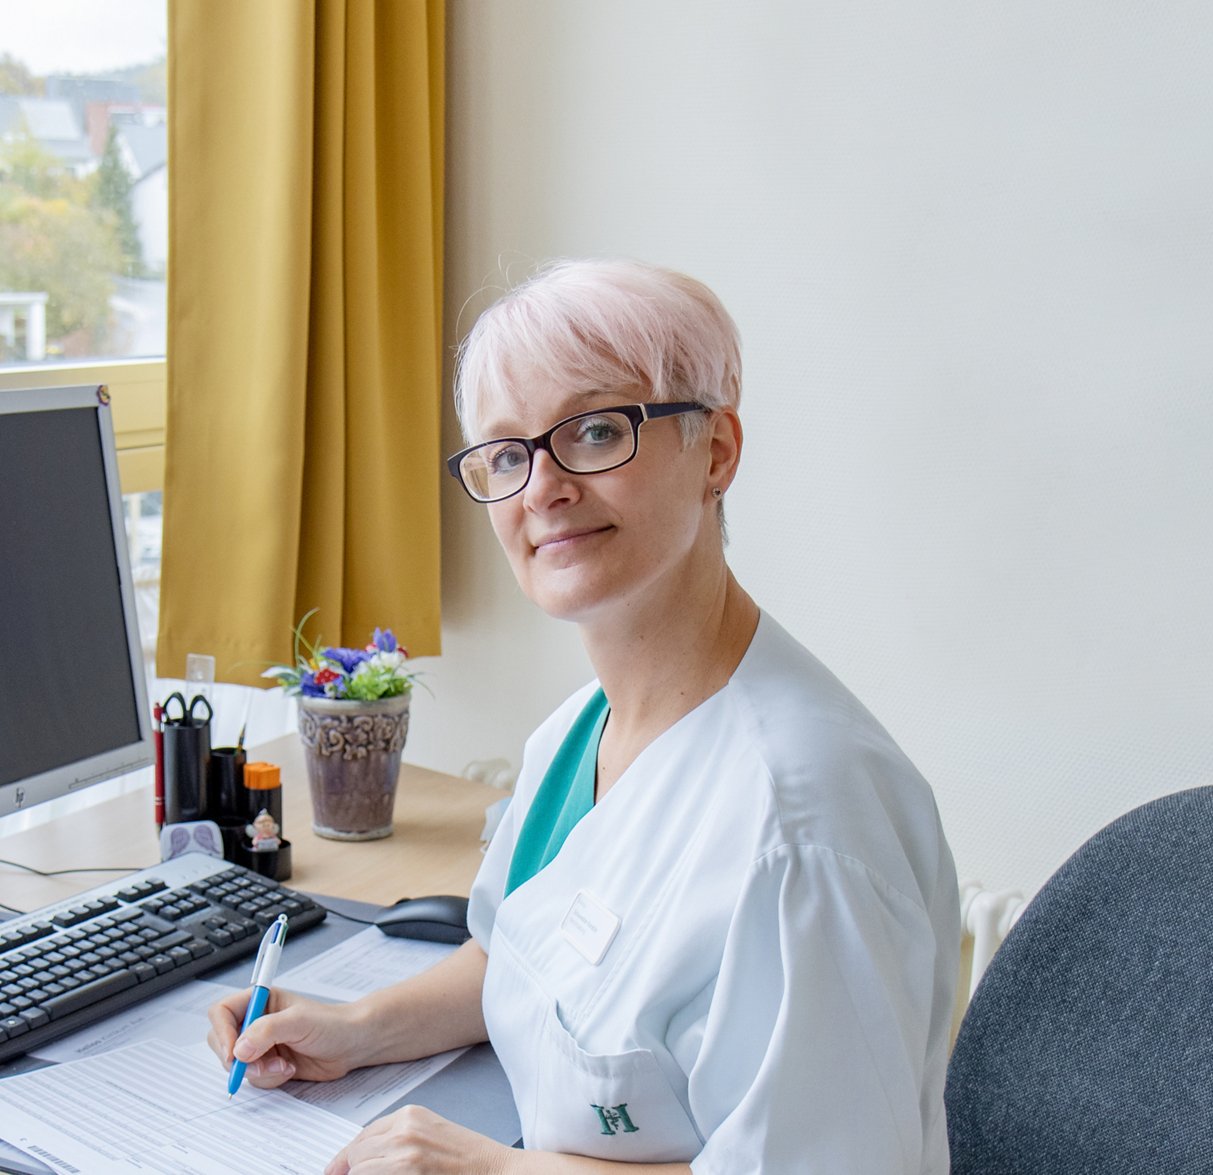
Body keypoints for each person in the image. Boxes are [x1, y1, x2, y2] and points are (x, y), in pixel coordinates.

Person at [208, 259, 961, 1173]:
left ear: (715, 451)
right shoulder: (580, 733)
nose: (542, 488)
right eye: (505, 453)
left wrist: (490, 1169)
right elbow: (521, 962)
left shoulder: (801, 830)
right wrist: (355, 1028)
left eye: (596, 430)